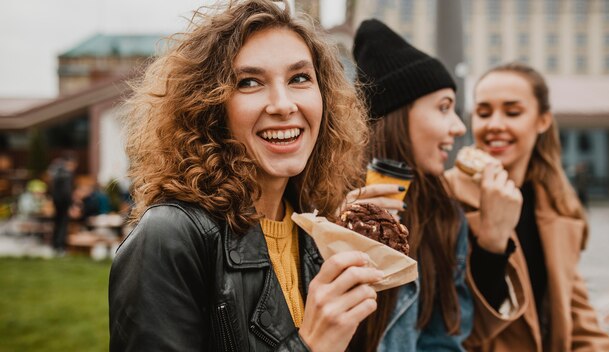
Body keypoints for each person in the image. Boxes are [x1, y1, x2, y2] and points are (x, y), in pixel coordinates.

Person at [109, 1, 381, 351]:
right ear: (209, 106)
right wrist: (309, 345)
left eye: (299, 78)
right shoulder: (169, 237)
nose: (283, 105)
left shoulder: (314, 232)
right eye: (249, 82)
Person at [445, 62, 609, 351]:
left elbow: (577, 318)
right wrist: (492, 241)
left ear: (543, 121)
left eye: (513, 112)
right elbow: (452, 323)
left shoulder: (558, 204)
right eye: (484, 112)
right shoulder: (444, 197)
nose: (495, 124)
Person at [347, 19, 473, 351]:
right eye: (444, 107)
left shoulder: (446, 215)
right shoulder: (323, 203)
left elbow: (442, 341)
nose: (459, 127)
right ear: (398, 114)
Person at [49, 155, 77, 254]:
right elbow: (67, 191)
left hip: (56, 201)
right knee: (63, 224)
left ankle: (54, 244)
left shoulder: (57, 173)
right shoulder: (67, 174)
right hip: (64, 203)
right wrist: (71, 205)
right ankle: (60, 246)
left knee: (57, 223)